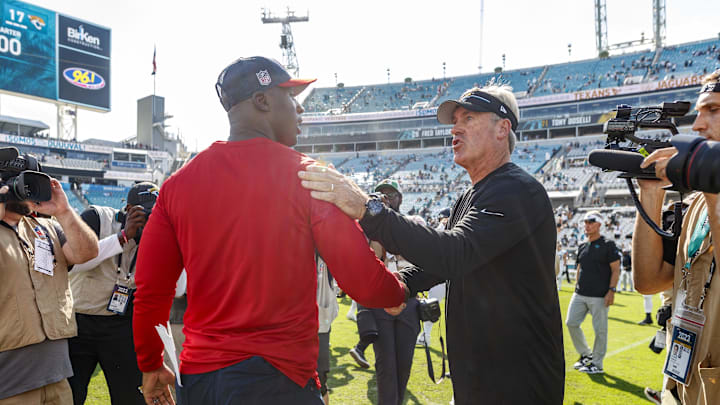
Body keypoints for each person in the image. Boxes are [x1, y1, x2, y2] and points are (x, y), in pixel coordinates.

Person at [131, 56, 409, 405]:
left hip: (201, 381)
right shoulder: (308, 176)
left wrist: (151, 362)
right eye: (291, 99)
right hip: (278, 378)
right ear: (262, 101)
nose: (299, 111)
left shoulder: (176, 185)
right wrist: (399, 291)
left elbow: (150, 290)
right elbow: (364, 282)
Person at [298, 85, 564, 404]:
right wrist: (404, 285)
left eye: (469, 117)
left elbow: (456, 253)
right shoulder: (474, 194)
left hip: (517, 380)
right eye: (454, 120)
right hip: (483, 375)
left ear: (502, 128)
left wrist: (370, 210)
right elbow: (450, 259)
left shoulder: (518, 190)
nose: (455, 128)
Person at [634, 69, 720, 405]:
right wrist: (651, 195)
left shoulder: (707, 198)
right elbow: (649, 281)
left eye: (713, 110)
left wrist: (713, 189)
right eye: (698, 112)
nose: (697, 124)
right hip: (683, 383)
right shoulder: (696, 202)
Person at [0, 177, 98, 404]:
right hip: (9, 385)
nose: (25, 190)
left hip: (57, 376)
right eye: (17, 182)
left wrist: (63, 211)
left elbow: (87, 253)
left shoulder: (47, 228)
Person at [66, 182, 159, 405]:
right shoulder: (96, 218)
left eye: (156, 214)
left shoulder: (159, 234)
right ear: (127, 209)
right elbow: (72, 263)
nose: (149, 220)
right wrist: (123, 237)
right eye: (144, 213)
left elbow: (178, 289)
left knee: (130, 397)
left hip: (122, 324)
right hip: (79, 321)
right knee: (69, 397)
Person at [566, 210, 620, 375]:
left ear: (599, 224)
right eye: (585, 222)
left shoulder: (608, 244)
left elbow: (616, 269)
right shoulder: (583, 245)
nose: (586, 225)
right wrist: (577, 284)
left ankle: (597, 363)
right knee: (571, 323)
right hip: (580, 293)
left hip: (599, 296)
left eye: (590, 222)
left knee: (600, 331)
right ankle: (586, 354)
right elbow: (579, 267)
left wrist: (611, 291)